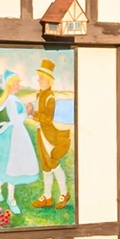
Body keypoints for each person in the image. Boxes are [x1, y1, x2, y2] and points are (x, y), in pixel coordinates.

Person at [0, 71, 41, 215]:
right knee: (13, 167)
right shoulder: (11, 100)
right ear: (9, 85)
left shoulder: (14, 98)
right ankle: (11, 199)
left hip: (19, 133)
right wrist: (27, 112)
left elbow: (19, 117)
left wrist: (27, 110)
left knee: (13, 167)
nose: (19, 85)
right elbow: (16, 120)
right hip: (13, 135)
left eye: (19, 82)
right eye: (16, 83)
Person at [32, 59, 73, 209]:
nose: (39, 80)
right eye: (39, 77)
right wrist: (34, 113)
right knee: (45, 165)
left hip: (48, 135)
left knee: (53, 164)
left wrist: (33, 114)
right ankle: (47, 197)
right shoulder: (40, 95)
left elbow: (47, 120)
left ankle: (64, 193)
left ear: (49, 80)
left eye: (41, 78)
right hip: (40, 133)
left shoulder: (50, 97)